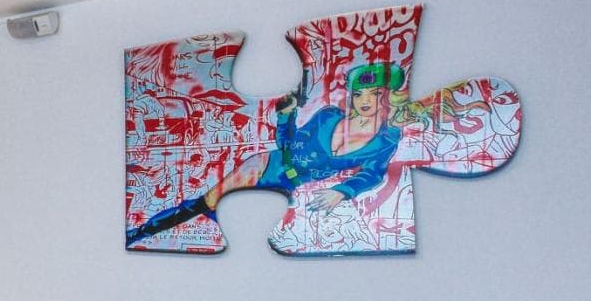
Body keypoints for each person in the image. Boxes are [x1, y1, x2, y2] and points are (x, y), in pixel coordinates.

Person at [127, 62, 406, 246]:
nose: (365, 100)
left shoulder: (386, 140)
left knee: (226, 214)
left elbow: (373, 174)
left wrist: (343, 191)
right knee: (207, 202)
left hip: (290, 186)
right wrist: (286, 115)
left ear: (387, 96)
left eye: (374, 93)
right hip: (266, 166)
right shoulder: (329, 116)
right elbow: (287, 142)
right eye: (359, 94)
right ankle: (138, 234)